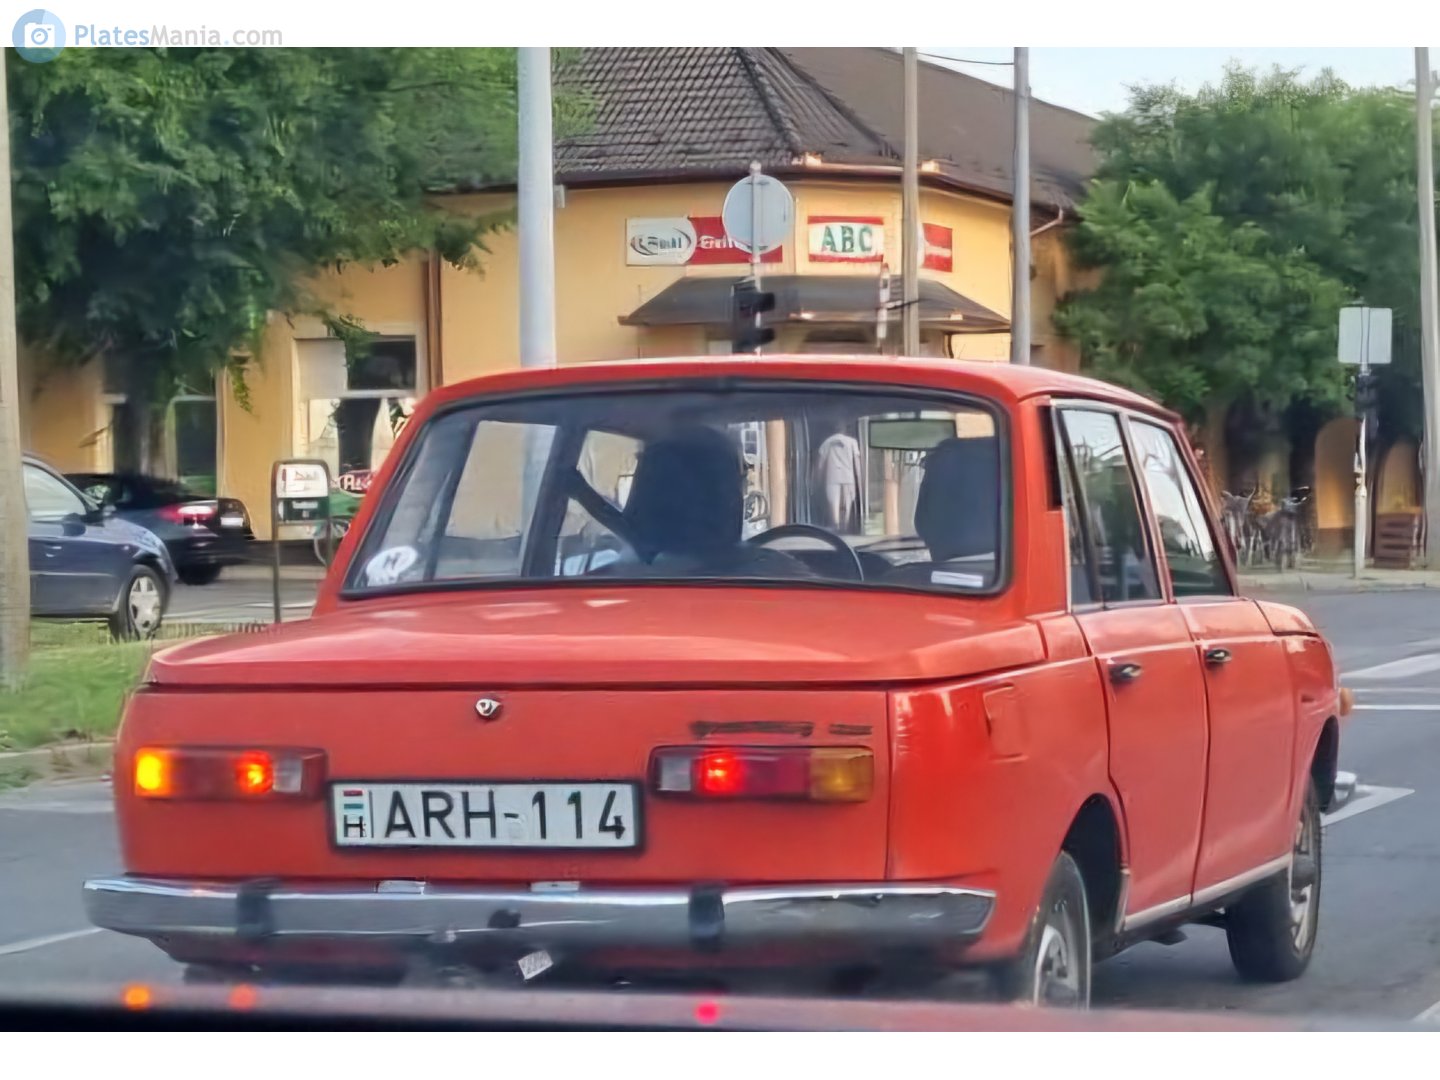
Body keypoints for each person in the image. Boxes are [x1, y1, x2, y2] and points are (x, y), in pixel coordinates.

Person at [814, 430, 862, 532]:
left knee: (833, 504)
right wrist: (859, 478)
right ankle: (846, 525)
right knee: (848, 504)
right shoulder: (852, 442)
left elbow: (820, 465)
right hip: (848, 477)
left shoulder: (826, 442)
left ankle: (836, 525)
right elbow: (857, 463)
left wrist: (818, 479)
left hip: (832, 476)